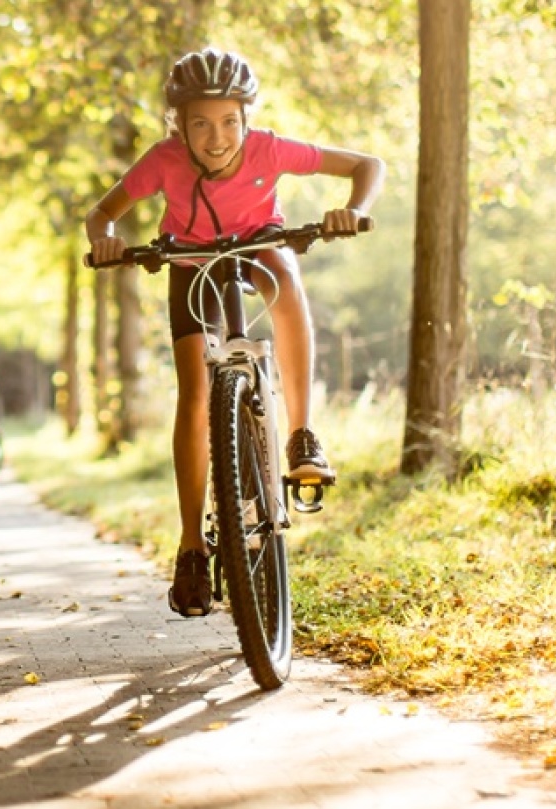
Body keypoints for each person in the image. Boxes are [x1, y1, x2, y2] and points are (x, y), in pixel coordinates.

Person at [83, 48, 384, 618]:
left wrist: (354, 207)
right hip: (189, 262)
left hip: (257, 243)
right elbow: (103, 213)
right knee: (195, 395)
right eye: (200, 123)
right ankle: (192, 547)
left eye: (228, 122)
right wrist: (108, 240)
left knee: (288, 284)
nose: (216, 137)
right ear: (180, 125)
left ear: (247, 118)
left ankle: (302, 435)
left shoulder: (270, 149)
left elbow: (367, 165)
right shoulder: (163, 160)